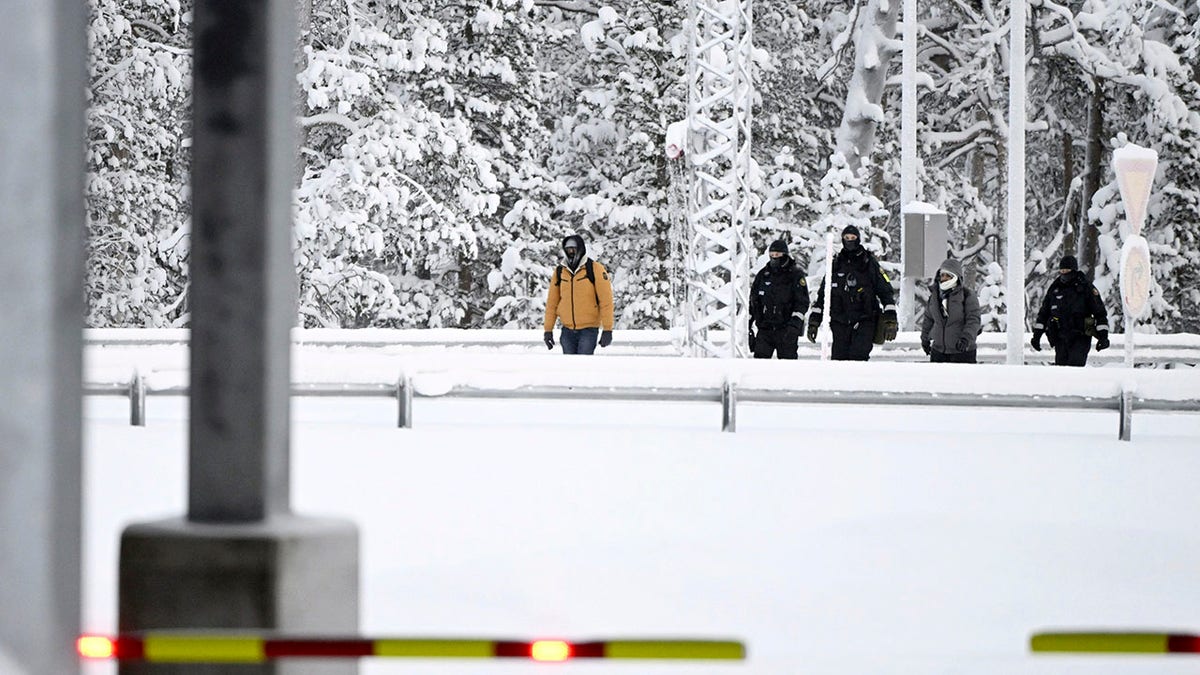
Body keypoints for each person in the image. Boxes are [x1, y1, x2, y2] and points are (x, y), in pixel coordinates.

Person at [806, 225, 897, 360]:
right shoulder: (835, 265)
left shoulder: (869, 263)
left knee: (858, 358)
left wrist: (891, 319)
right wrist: (814, 322)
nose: (850, 241)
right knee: (839, 360)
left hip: (864, 320)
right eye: (847, 238)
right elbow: (823, 297)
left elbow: (885, 291)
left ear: (858, 239)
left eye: (853, 238)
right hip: (840, 323)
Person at [1030, 255, 1110, 367]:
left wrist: (1103, 336)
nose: (1064, 273)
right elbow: (1044, 313)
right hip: (1060, 337)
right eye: (1062, 271)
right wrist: (1036, 336)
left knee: (1075, 370)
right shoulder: (1055, 288)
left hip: (1080, 337)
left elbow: (1099, 313)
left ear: (1074, 270)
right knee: (1061, 372)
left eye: (1067, 270)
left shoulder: (1085, 287)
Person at [542, 234, 615, 355]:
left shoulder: (595, 269)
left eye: (574, 248)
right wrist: (548, 330)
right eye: (568, 249)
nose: (571, 252)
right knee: (569, 369)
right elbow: (552, 303)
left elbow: (606, 301)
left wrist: (607, 329)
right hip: (567, 331)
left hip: (588, 330)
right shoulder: (560, 271)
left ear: (580, 249)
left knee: (583, 367)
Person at [748, 239, 810, 359]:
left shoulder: (795, 275)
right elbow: (754, 302)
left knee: (787, 368)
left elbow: (802, 303)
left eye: (777, 255)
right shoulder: (763, 275)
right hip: (765, 329)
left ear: (785, 255)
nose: (774, 258)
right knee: (759, 366)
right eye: (772, 255)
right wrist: (748, 326)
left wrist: (794, 326)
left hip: (786, 330)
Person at [919, 258, 982, 363]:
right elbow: (929, 319)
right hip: (938, 352)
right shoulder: (935, 296)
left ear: (956, 277)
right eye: (942, 275)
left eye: (948, 276)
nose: (944, 278)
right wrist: (925, 338)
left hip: (962, 352)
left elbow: (973, 320)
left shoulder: (967, 295)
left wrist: (966, 339)